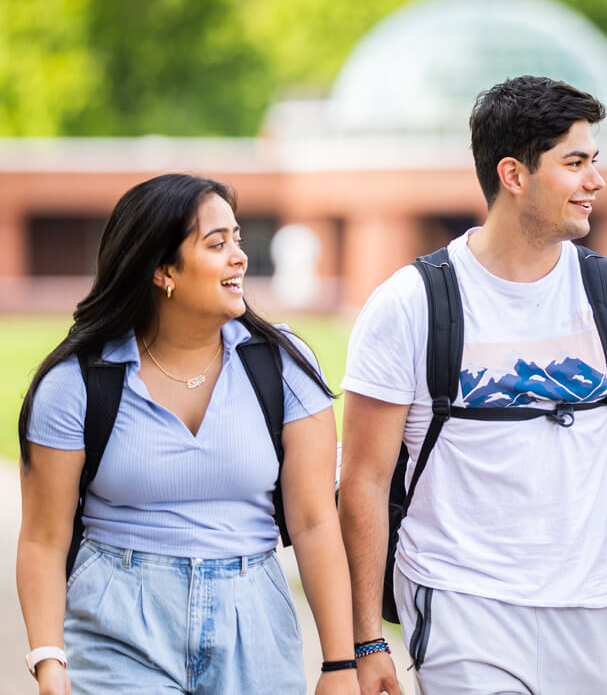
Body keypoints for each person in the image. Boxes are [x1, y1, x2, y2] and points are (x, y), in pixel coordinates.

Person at [338, 75, 607, 695]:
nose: (596, 181)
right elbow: (362, 480)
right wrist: (364, 638)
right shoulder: (409, 305)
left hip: (591, 608)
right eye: (574, 163)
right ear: (513, 175)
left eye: (594, 161)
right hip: (461, 603)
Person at [16, 173, 357, 694]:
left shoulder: (283, 365)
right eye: (217, 244)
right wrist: (48, 660)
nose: (240, 257)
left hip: (254, 624)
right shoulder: (77, 382)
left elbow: (314, 521)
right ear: (163, 270)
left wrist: (340, 664)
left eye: (237, 239)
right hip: (119, 623)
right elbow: (43, 538)